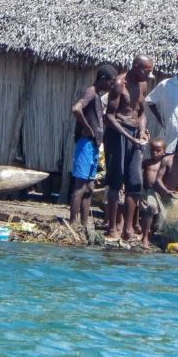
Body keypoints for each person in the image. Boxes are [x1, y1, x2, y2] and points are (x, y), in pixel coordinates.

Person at [104, 54, 154, 242]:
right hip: (118, 134)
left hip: (134, 136)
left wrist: (141, 132)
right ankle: (111, 229)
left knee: (135, 182)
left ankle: (128, 228)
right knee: (116, 181)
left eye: (150, 72)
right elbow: (109, 116)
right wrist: (127, 136)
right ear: (135, 67)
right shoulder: (119, 84)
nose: (148, 76)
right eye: (146, 71)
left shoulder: (142, 84)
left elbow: (141, 113)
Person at [69, 65, 117, 225]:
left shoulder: (97, 96)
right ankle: (73, 223)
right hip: (86, 144)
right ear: (103, 79)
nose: (112, 86)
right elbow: (76, 109)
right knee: (80, 187)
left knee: (89, 187)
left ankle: (84, 224)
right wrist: (87, 128)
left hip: (94, 144)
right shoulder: (90, 92)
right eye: (111, 82)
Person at [139, 138, 167, 250]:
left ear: (164, 152)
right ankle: (143, 233)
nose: (154, 152)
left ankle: (151, 232)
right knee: (143, 211)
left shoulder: (163, 164)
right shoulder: (146, 162)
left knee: (154, 213)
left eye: (158, 150)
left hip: (157, 193)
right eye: (152, 150)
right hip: (145, 190)